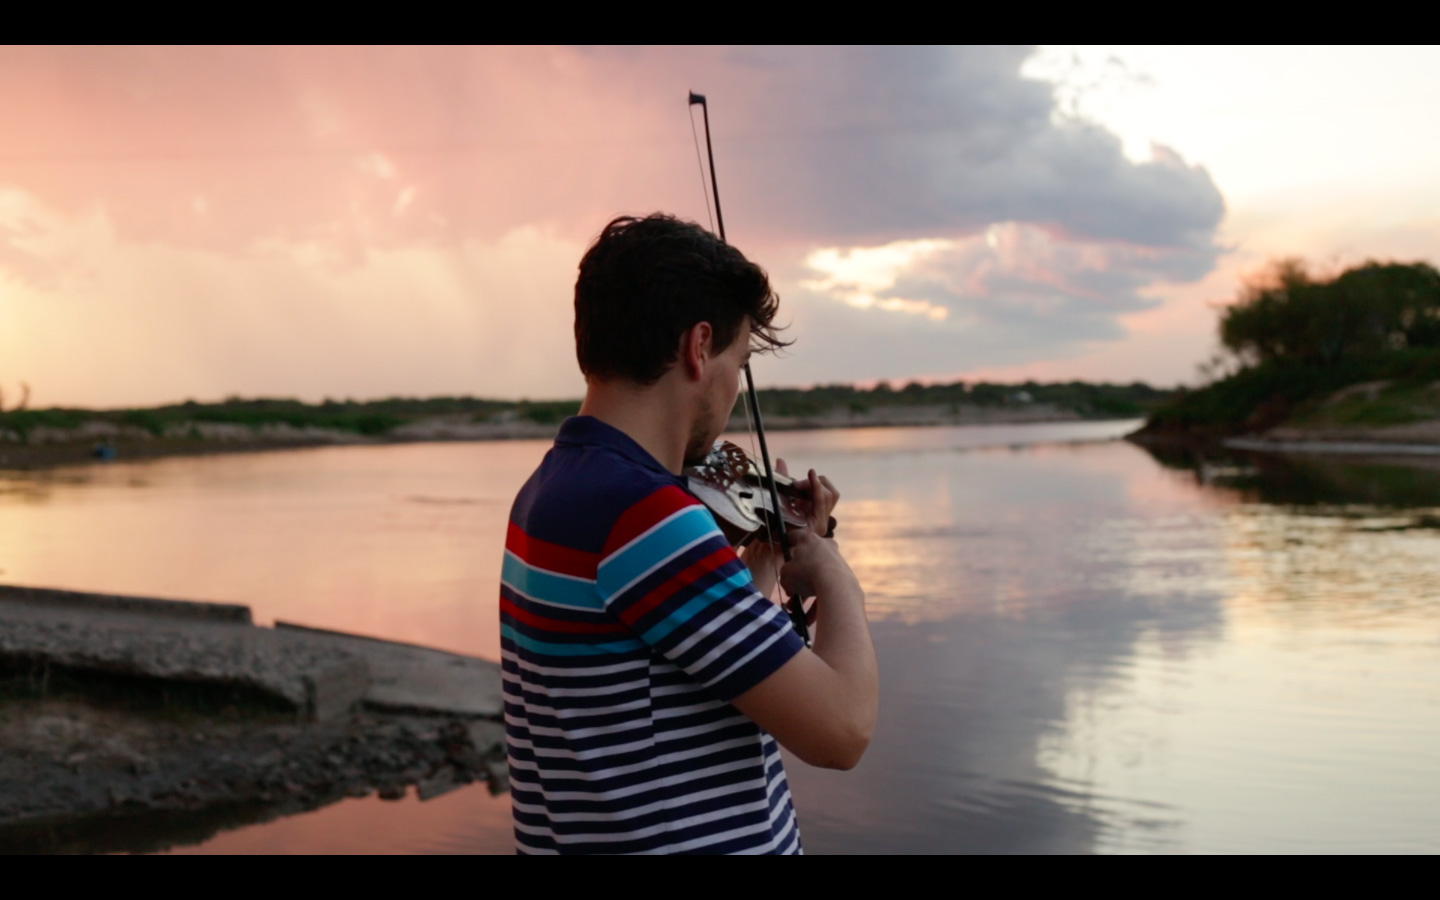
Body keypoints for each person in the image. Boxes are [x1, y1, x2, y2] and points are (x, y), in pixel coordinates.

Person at [500, 213, 877, 854]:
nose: (736, 388)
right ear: (698, 348)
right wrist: (833, 570)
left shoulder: (555, 489)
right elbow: (841, 732)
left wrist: (758, 568)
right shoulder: (645, 518)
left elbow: (665, 668)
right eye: (741, 360)